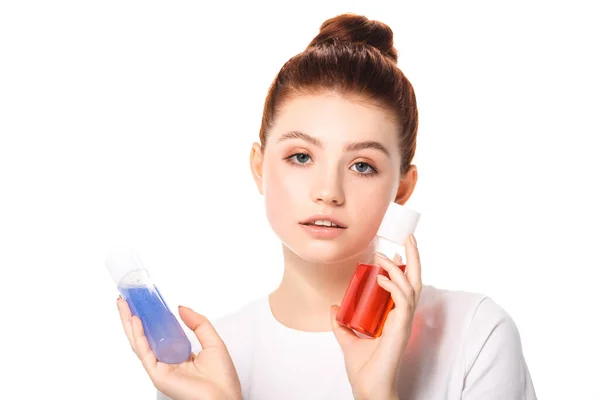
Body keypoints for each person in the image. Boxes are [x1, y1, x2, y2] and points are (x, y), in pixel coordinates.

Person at [116, 13, 537, 400]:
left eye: (362, 165)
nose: (328, 191)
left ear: (402, 188)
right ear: (259, 167)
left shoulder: (474, 335)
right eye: (301, 157)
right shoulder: (205, 364)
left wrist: (376, 393)